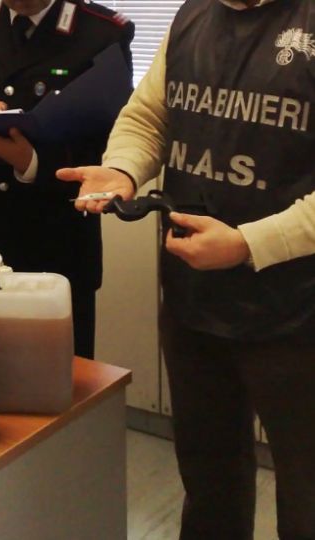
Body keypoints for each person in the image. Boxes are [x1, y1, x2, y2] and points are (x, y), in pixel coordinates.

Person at [57, 0, 315, 537]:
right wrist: (123, 169)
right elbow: (149, 118)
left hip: (297, 313)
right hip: (195, 302)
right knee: (210, 481)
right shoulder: (192, 16)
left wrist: (248, 243)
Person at [0, 0, 134, 359]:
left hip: (56, 239)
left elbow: (113, 149)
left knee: (59, 375)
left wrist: (31, 161)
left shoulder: (102, 31)